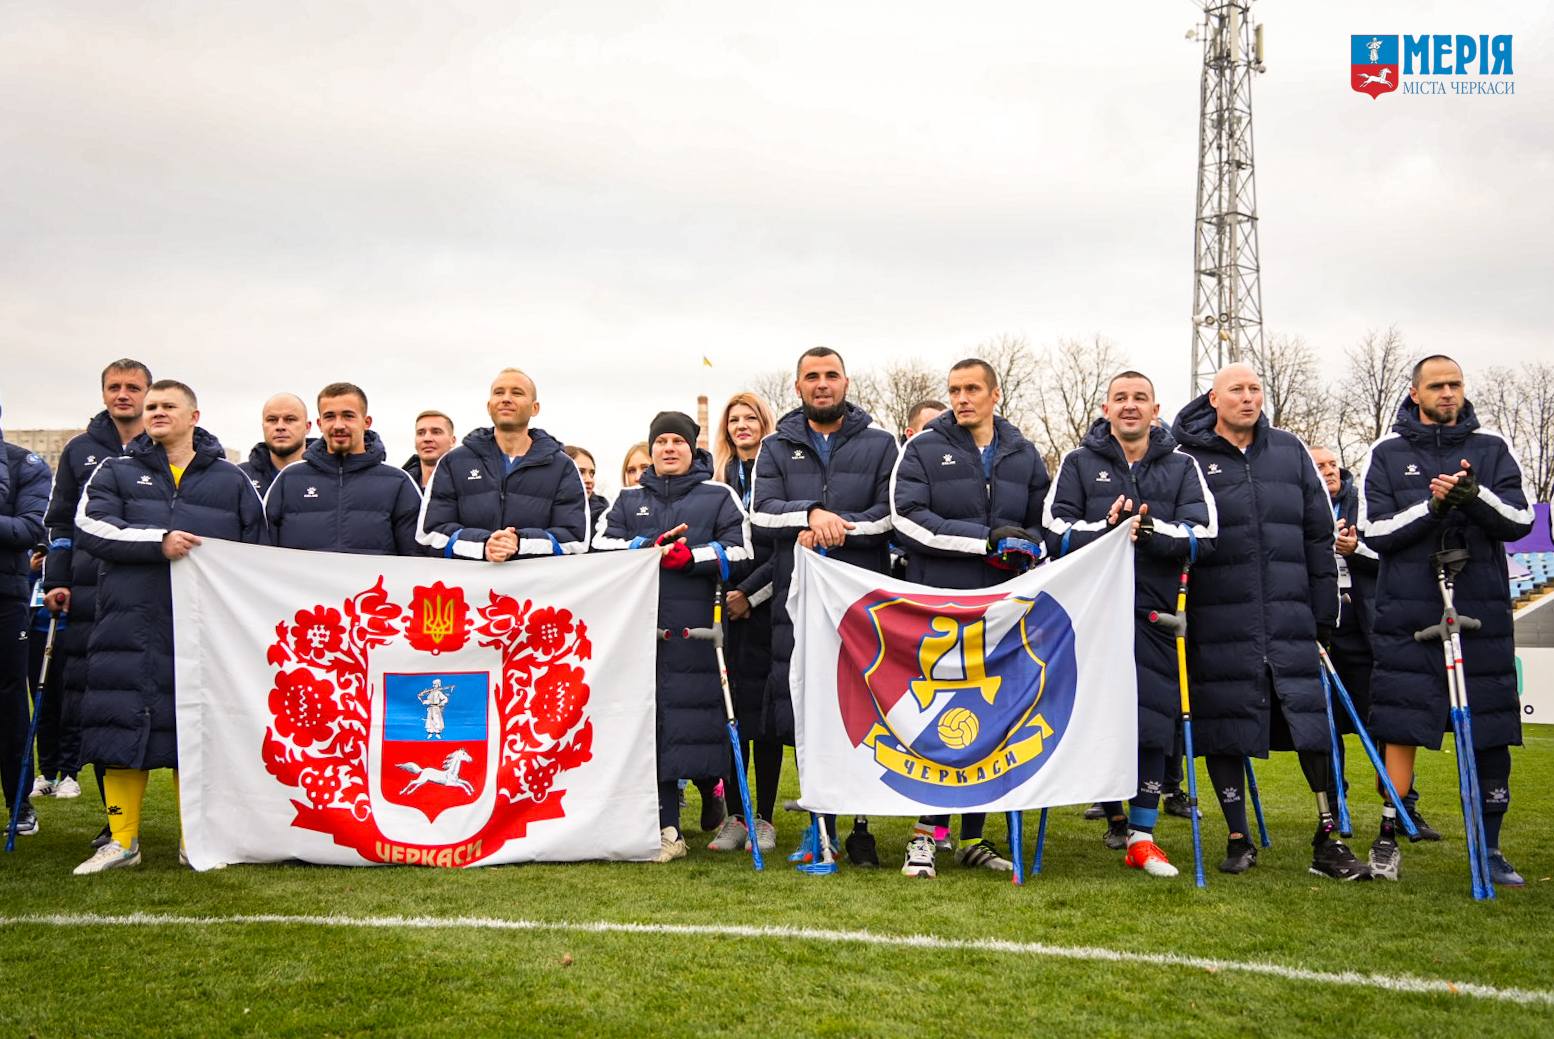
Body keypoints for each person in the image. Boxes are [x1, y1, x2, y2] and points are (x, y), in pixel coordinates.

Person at [1172, 363, 1368, 880]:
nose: (1248, 397)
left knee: (1313, 726)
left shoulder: (1290, 450)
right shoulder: (1186, 457)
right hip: (1219, 620)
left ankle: (1329, 835)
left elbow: (1317, 538)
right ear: (1213, 398)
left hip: (1289, 617)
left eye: (1255, 388)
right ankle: (1238, 836)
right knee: (1225, 728)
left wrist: (1324, 614)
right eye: (1236, 389)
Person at [70, 380, 266, 874]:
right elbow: (91, 528)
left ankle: (193, 840)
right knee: (118, 727)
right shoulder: (114, 471)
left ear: (193, 416)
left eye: (167, 406)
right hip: (127, 624)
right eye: (151, 405)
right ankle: (121, 841)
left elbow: (257, 549)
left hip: (203, 628)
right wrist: (158, 540)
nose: (155, 412)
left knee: (195, 731)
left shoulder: (231, 479)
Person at [1357, 356, 1534, 885]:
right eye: (1437, 385)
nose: (1449, 392)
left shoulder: (1492, 449)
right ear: (1415, 393)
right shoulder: (1386, 453)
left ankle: (1491, 845)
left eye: (1456, 383)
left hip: (1481, 611)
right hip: (1407, 612)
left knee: (1489, 730)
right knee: (1400, 725)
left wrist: (1473, 496)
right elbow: (1375, 530)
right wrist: (1433, 509)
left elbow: (1520, 520)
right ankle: (1388, 834)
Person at [1044, 370, 1217, 878]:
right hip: (1090, 619)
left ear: (1155, 408)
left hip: (1153, 616)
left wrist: (1147, 530)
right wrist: (1105, 530)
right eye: (1120, 398)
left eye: (1140, 398)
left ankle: (1142, 836)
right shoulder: (1077, 462)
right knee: (1091, 720)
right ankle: (1111, 814)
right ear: (1105, 408)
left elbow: (1204, 535)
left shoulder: (1183, 465)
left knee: (1150, 725)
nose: (1130, 406)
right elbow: (1053, 531)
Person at [891, 358, 1050, 878]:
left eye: (972, 389)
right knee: (940, 721)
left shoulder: (1024, 453)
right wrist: (983, 541)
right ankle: (926, 837)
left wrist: (1027, 548)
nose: (961, 398)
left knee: (995, 718)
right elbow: (907, 520)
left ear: (995, 393)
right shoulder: (922, 448)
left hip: (1004, 609)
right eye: (955, 389)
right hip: (939, 608)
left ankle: (974, 836)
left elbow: (1040, 522)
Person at [751, 347, 898, 864]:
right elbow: (761, 515)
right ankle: (821, 826)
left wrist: (836, 527)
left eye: (830, 375)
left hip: (860, 598)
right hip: (798, 600)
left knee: (859, 708)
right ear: (797, 387)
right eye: (811, 377)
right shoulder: (774, 446)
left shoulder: (882, 443)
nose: (821, 384)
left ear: (846, 382)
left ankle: (860, 828)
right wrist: (809, 514)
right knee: (810, 709)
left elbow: (890, 517)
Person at [592, 411, 752, 862]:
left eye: (677, 441)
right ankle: (667, 828)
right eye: (660, 441)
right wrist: (645, 548)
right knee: (652, 727)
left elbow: (742, 548)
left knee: (697, 726)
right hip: (639, 632)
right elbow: (599, 545)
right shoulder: (626, 500)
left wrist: (693, 556)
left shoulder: (718, 495)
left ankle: (716, 797)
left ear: (691, 447)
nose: (668, 448)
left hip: (699, 632)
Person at [42, 359, 153, 830]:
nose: (123, 394)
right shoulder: (80, 450)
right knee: (101, 703)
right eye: (115, 387)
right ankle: (113, 819)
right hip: (88, 591)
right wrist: (57, 580)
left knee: (139, 700)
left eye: (133, 387)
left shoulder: (162, 442)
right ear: (104, 392)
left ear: (148, 393)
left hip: (142, 589)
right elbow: (60, 523)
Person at [1311, 445, 1439, 842]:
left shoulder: (1364, 502)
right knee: (1324, 725)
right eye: (1320, 467)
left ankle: (1403, 807)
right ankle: (1332, 810)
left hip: (1368, 628)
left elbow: (1395, 559)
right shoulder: (1300, 503)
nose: (1330, 471)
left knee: (1388, 720)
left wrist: (1356, 550)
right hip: (1321, 626)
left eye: (1333, 464)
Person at [705, 392, 784, 856]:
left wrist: (749, 595)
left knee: (764, 719)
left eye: (750, 417)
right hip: (723, 609)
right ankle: (735, 815)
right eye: (733, 419)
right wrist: (726, 595)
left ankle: (765, 816)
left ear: (763, 422)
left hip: (766, 610)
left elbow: (781, 550)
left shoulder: (777, 474)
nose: (741, 425)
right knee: (728, 715)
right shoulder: (718, 479)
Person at [416, 369, 589, 561]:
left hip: (535, 589)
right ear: (489, 406)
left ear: (535, 408)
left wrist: (519, 542)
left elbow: (576, 539)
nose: (506, 398)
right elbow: (429, 535)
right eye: (499, 392)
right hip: (471, 587)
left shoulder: (562, 466)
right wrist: (484, 544)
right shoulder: (453, 461)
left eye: (517, 392)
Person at [265, 383, 423, 555]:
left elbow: (415, 559)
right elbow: (261, 553)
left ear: (366, 422)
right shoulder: (288, 479)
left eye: (348, 416)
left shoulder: (399, 483)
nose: (338, 425)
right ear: (319, 423)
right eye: (329, 417)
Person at [1, 415, 51, 836]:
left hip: (5, 598)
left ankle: (18, 806)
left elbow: (31, 528)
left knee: (10, 703)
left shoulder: (24, 464)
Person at [238, 393, 311, 497]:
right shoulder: (240, 477)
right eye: (272, 420)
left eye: (290, 419)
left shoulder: (331, 475)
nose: (280, 426)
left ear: (307, 427)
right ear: (263, 426)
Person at [403, 410, 456, 490]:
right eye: (420, 433)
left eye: (436, 432)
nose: (427, 438)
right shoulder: (398, 487)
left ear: (452, 441)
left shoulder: (468, 485)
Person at [563, 445, 608, 536]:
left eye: (592, 474)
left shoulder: (605, 517)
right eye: (581, 472)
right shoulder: (541, 512)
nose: (589, 480)